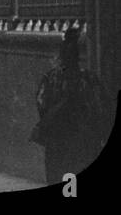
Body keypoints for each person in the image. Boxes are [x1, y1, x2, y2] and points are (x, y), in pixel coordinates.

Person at [33, 27, 109, 185]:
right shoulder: (89, 79)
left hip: (57, 139)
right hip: (83, 141)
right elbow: (101, 109)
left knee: (57, 177)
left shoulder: (51, 78)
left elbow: (41, 105)